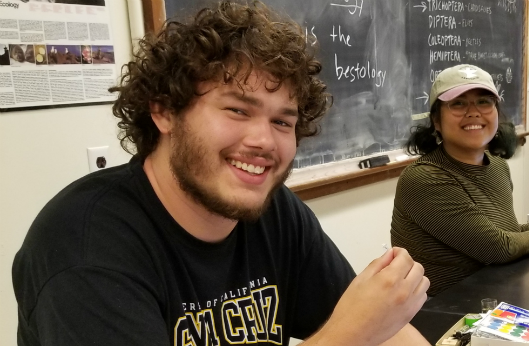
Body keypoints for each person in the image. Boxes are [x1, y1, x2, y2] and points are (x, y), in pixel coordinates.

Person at [12, 2, 428, 345]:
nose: (264, 141)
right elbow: (356, 329)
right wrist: (348, 336)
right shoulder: (84, 249)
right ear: (164, 110)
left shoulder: (273, 212)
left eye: (283, 122)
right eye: (237, 110)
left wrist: (377, 319)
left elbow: (385, 331)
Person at [390, 64, 529, 295]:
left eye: (484, 102)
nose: (473, 112)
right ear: (436, 121)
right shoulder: (424, 178)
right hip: (442, 313)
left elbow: (502, 232)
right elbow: (497, 248)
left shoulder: (497, 166)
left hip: (494, 298)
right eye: (458, 103)